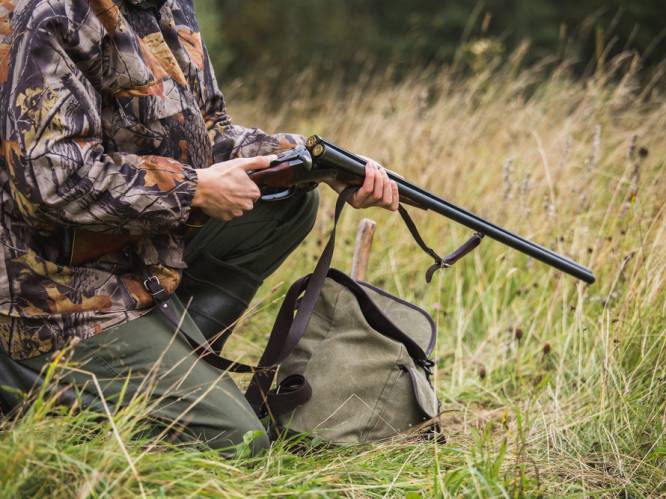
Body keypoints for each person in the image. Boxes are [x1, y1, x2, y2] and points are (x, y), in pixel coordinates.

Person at [0, 0, 398, 455]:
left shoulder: (169, 8)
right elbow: (50, 178)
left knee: (287, 200)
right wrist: (191, 190)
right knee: (239, 443)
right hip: (46, 300)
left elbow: (213, 133)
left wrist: (320, 163)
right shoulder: (53, 14)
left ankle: (168, 359)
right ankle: (25, 383)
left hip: (130, 265)